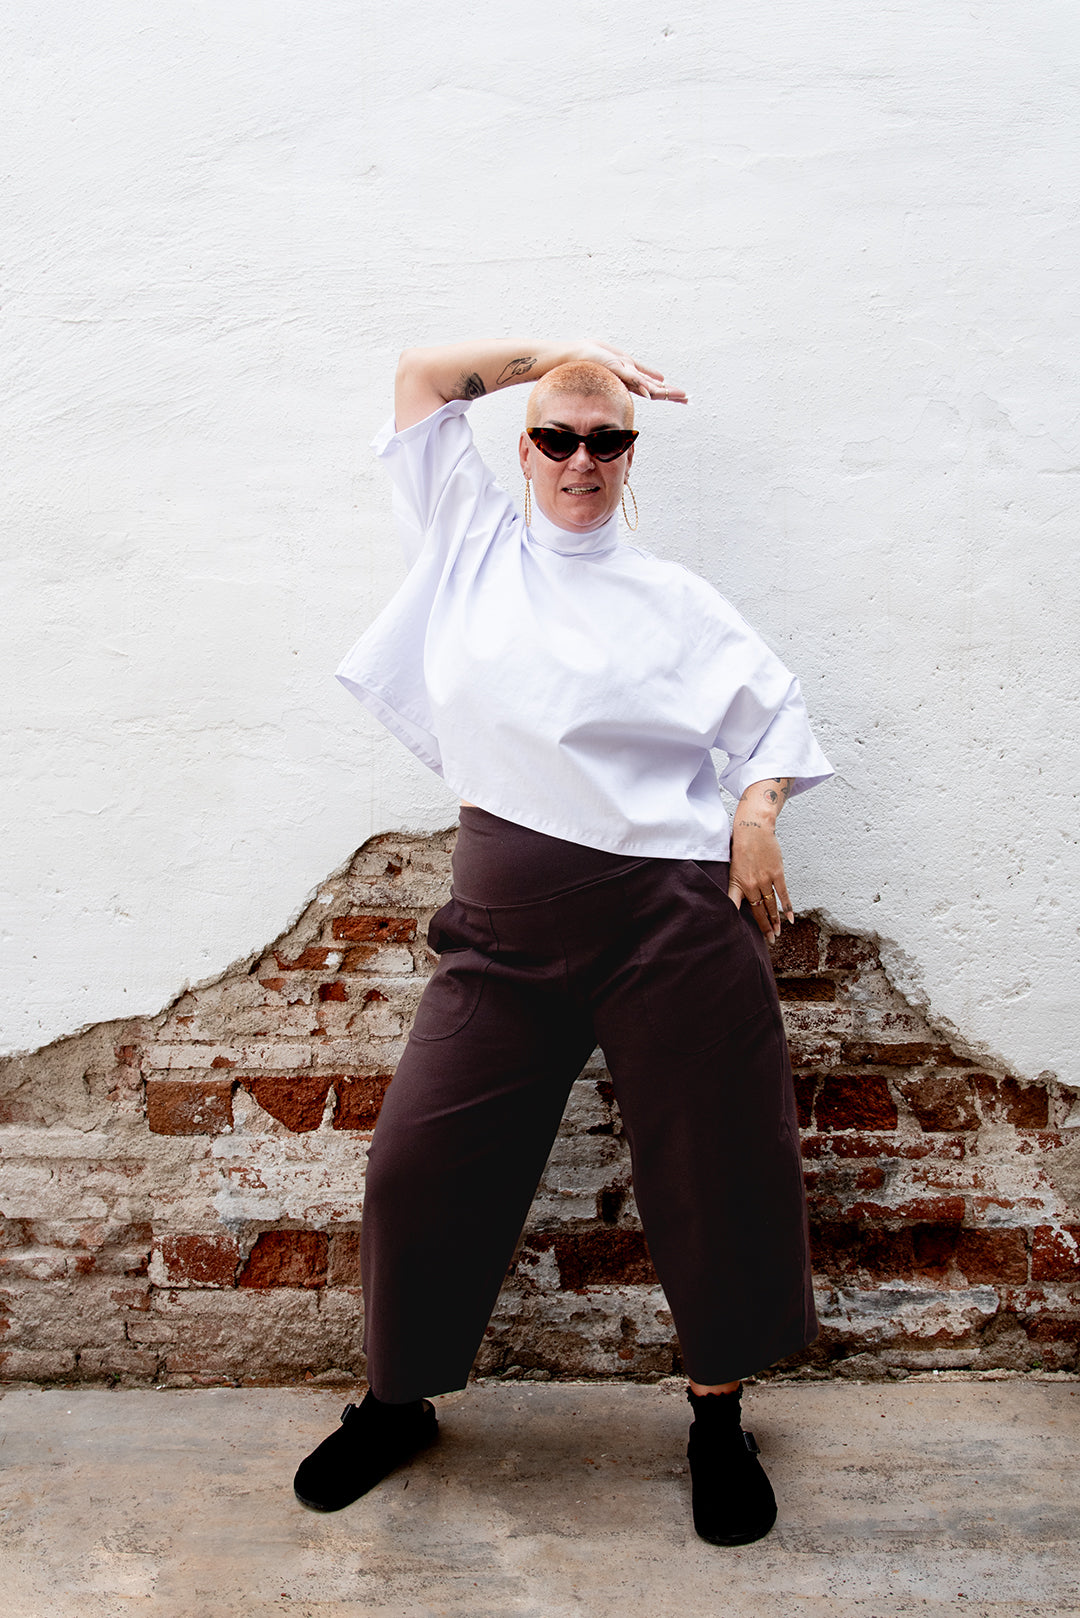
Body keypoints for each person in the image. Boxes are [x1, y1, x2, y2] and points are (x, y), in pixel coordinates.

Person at [296, 338, 833, 1546]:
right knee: (418, 1165)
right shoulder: (470, 543)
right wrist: (563, 353)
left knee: (716, 1168)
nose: (580, 460)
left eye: (606, 440)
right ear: (524, 448)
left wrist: (756, 814)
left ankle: (716, 1416)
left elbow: (774, 718)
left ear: (631, 457)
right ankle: (396, 1402)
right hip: (504, 924)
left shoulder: (679, 601)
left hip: (673, 924)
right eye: (556, 436)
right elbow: (423, 380)